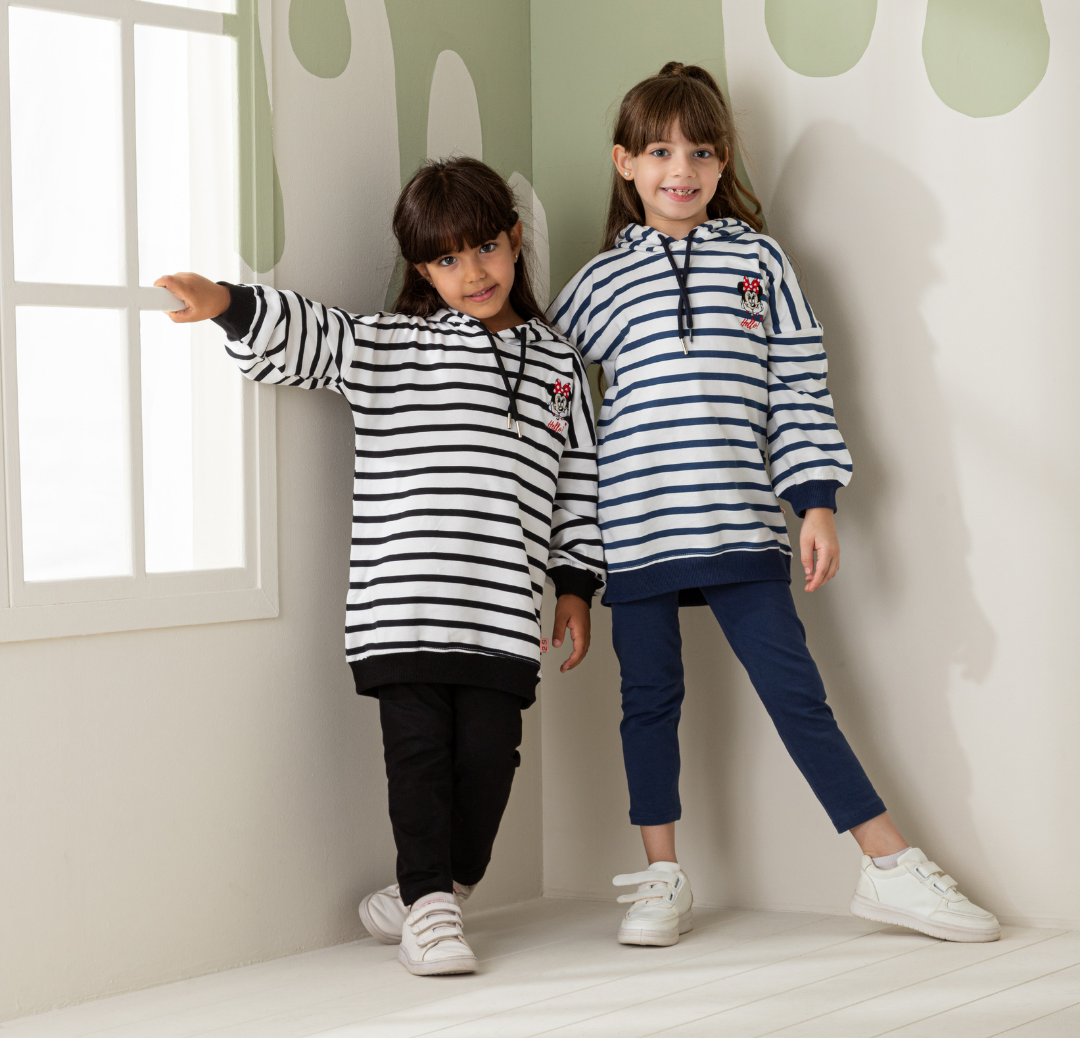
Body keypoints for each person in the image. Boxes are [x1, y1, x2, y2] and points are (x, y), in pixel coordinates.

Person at [550, 63, 999, 948]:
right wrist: (571, 569)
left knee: (797, 695)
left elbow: (797, 385)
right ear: (625, 163)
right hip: (634, 530)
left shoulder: (760, 264)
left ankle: (887, 865)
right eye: (660, 151)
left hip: (741, 521)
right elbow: (551, 392)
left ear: (723, 164)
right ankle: (662, 876)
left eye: (701, 151)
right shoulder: (601, 282)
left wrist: (815, 501)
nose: (681, 169)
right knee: (649, 702)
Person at [158, 157, 605, 977]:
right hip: (401, 606)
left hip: (503, 615)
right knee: (420, 761)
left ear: (515, 240)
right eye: (446, 259)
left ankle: (428, 892)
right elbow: (312, 333)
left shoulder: (560, 367)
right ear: (422, 271)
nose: (472, 273)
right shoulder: (393, 347)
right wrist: (227, 303)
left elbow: (578, 486)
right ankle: (431, 911)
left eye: (485, 248)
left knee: (490, 765)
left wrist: (574, 588)